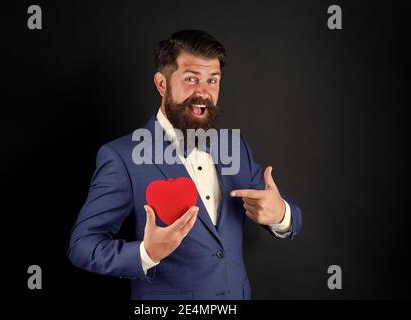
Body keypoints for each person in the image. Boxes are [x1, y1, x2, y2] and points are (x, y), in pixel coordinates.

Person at [68, 30, 302, 300]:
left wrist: (280, 215)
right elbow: (82, 246)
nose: (203, 92)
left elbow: (288, 215)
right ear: (161, 84)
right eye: (191, 79)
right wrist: (146, 253)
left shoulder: (235, 148)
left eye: (212, 80)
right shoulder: (121, 157)